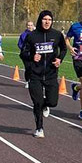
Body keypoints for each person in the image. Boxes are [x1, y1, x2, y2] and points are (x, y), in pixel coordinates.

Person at [20, 10, 67, 138]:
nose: (47, 22)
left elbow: (63, 48)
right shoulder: (32, 36)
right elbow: (23, 53)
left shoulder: (57, 35)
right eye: (45, 19)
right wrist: (31, 56)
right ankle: (39, 128)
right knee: (37, 102)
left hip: (51, 74)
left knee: (53, 102)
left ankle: (45, 106)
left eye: (49, 20)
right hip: (35, 74)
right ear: (40, 20)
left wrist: (60, 59)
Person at [18, 20, 35, 88]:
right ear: (26, 26)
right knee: (28, 68)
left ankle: (34, 81)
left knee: (34, 68)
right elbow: (19, 44)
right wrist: (24, 49)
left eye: (31, 25)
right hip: (26, 55)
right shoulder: (23, 35)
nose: (30, 27)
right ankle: (27, 81)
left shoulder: (36, 34)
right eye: (28, 25)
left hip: (34, 54)